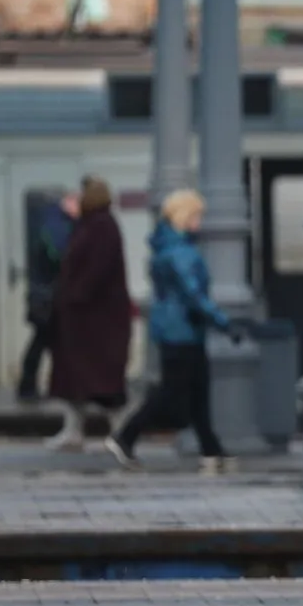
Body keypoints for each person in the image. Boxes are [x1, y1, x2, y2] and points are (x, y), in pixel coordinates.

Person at [106, 190, 242, 474]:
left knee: (197, 391)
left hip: (180, 328)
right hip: (181, 330)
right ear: (184, 216)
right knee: (172, 392)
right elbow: (194, 294)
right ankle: (125, 436)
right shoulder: (180, 253)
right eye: (196, 215)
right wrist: (223, 322)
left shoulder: (168, 248)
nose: (200, 221)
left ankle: (210, 448)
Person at [46, 176, 133, 451]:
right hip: (85, 319)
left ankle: (119, 431)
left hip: (96, 320)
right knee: (78, 380)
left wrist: (73, 296)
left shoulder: (101, 227)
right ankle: (76, 430)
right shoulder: (93, 225)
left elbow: (94, 271)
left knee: (99, 380)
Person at [17, 191, 80, 402]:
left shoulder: (50, 223)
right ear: (69, 203)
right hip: (48, 297)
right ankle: (29, 386)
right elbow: (59, 256)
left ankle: (33, 385)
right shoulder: (56, 226)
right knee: (43, 341)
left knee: (44, 341)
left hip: (45, 295)